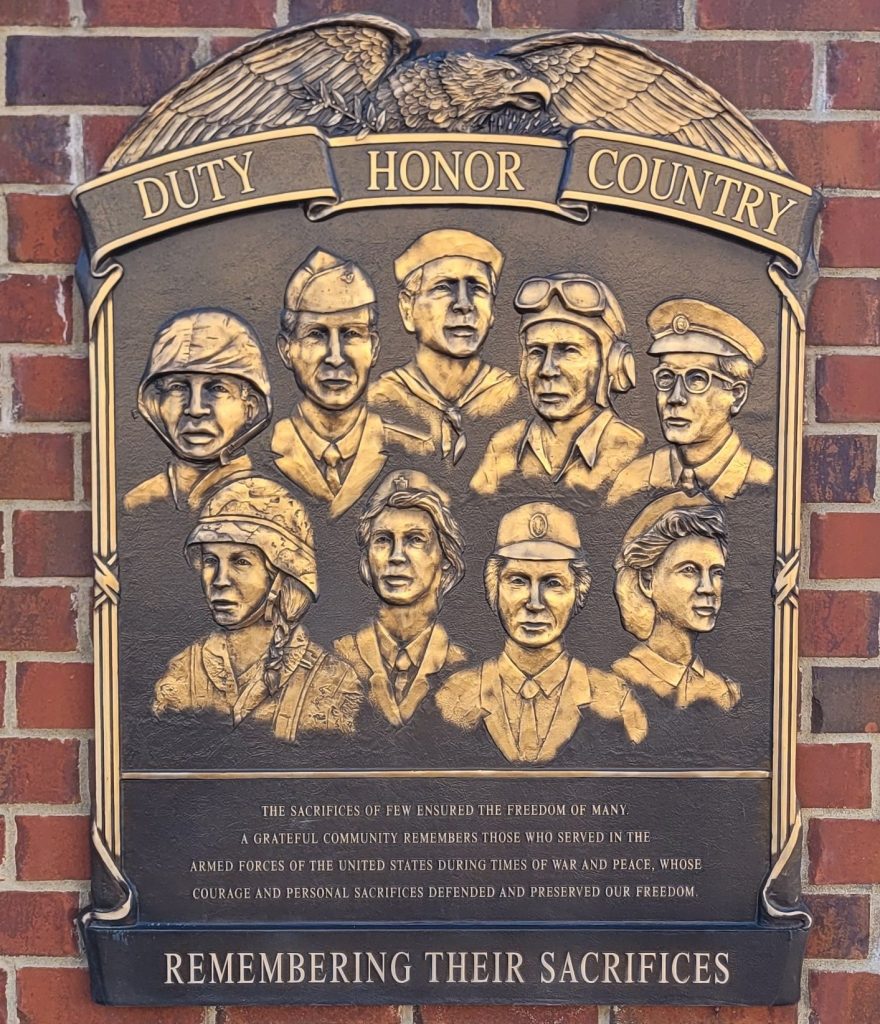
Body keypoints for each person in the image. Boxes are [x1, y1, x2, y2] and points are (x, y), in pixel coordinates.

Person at [152, 477, 363, 740]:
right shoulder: (184, 670)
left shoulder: (333, 682)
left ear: (282, 575)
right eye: (210, 561)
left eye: (240, 561)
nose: (219, 580)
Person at [436, 502, 647, 763]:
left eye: (552, 583)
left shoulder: (615, 702)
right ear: (494, 589)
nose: (534, 603)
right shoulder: (454, 697)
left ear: (578, 593)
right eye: (518, 581)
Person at [271, 248, 431, 519]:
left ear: (374, 347)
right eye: (316, 335)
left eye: (351, 334)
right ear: (287, 350)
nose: (335, 357)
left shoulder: (417, 449)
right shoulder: (266, 448)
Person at [470, 272, 644, 496]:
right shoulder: (504, 448)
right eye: (536, 352)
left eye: (569, 351)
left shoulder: (632, 452)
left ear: (612, 364)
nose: (547, 370)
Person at [369, 229, 520, 463]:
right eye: (444, 287)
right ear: (407, 308)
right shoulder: (378, 401)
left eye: (477, 288)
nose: (463, 304)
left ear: (493, 311)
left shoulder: (515, 398)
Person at [334, 471, 468, 727]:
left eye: (414, 540)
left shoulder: (465, 665)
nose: (396, 556)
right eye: (383, 540)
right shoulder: (337, 660)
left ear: (447, 560)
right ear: (366, 560)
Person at [608, 299, 773, 505]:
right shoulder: (632, 481)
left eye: (696, 379)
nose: (676, 397)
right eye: (666, 377)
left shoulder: (763, 482)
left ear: (737, 394)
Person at [124, 309, 271, 512]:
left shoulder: (273, 505)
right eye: (178, 387)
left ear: (251, 408)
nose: (195, 409)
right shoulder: (136, 503)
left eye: (217, 389)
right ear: (156, 404)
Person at [611, 492, 741, 711]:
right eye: (689, 570)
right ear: (647, 580)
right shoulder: (615, 685)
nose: (708, 588)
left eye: (717, 572)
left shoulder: (726, 694)